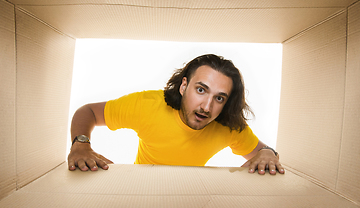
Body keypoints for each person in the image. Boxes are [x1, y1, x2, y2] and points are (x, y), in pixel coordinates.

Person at [68, 54, 285, 175]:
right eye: (201, 90)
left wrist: (268, 153)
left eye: (219, 98)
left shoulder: (227, 125)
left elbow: (262, 152)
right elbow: (88, 112)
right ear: (183, 86)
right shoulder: (148, 106)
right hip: (141, 191)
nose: (207, 107)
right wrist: (81, 144)